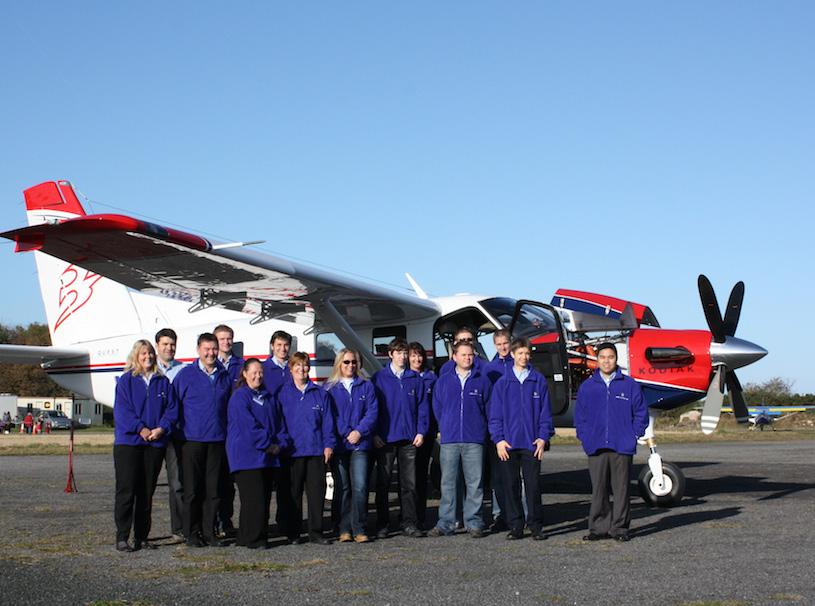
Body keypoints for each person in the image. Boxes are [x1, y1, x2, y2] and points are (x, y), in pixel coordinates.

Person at [575, 342, 648, 542]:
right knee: (598, 489)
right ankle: (598, 528)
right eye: (602, 357)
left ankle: (620, 529)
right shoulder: (587, 387)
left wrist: (633, 434)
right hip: (595, 446)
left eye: (611, 357)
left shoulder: (630, 385)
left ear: (616, 359)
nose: (606, 361)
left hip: (622, 446)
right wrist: (586, 437)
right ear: (597, 360)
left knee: (621, 489)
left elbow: (641, 413)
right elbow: (580, 417)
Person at [113, 339, 178, 552]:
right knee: (127, 490)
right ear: (136, 356)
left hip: (154, 444)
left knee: (146, 492)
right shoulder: (126, 381)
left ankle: (142, 536)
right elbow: (122, 411)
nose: (147, 357)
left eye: (150, 353)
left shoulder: (163, 382)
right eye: (143, 353)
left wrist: (162, 428)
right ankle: (122, 536)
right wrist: (140, 428)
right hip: (129, 444)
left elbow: (172, 410)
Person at [489, 337, 553, 540]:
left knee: (533, 486)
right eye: (520, 353)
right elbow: (495, 415)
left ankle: (535, 525)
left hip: (532, 443)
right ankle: (515, 525)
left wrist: (543, 437)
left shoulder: (538, 380)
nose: (524, 357)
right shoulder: (502, 383)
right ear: (512, 355)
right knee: (511, 485)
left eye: (527, 353)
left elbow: (545, 413)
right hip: (508, 444)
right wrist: (498, 440)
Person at [173, 333, 232, 548]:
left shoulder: (224, 376)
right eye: (207, 349)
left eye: (214, 349)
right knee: (192, 490)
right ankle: (192, 532)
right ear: (198, 350)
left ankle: (209, 532)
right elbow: (174, 405)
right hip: (191, 440)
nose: (211, 353)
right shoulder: (185, 375)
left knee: (213, 490)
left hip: (217, 440)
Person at [427, 341, 491, 538]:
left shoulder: (482, 381)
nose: (467, 358)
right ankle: (446, 522)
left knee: (475, 483)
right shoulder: (443, 381)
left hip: (474, 439)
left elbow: (488, 409)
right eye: (463, 355)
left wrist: (481, 430)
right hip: (450, 440)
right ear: (454, 357)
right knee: (448, 483)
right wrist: (446, 425)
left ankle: (474, 522)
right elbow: (437, 408)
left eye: (470, 354)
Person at [226, 358, 290, 549]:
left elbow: (280, 424)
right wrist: (267, 444)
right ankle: (255, 538)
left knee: (263, 497)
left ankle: (247, 536)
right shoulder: (240, 397)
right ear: (245, 374)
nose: (258, 376)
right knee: (253, 499)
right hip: (247, 456)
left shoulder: (268, 397)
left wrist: (280, 443)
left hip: (267, 458)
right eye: (253, 372)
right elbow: (248, 426)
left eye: (260, 372)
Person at [371, 338, 429, 539]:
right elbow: (373, 408)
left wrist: (421, 431)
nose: (403, 357)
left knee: (409, 484)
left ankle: (409, 522)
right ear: (390, 354)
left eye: (405, 353)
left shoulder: (415, 379)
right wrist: (375, 433)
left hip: (409, 439)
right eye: (399, 353)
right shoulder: (379, 378)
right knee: (383, 483)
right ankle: (383, 523)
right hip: (385, 439)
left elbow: (423, 408)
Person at [276, 352, 335, 544]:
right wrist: (282, 444)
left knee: (316, 493)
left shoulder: (320, 393)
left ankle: (316, 532)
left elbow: (328, 422)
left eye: (305, 365)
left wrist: (328, 445)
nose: (302, 369)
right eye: (297, 365)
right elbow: (278, 423)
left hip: (315, 451)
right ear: (291, 368)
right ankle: (293, 532)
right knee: (293, 494)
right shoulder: (282, 393)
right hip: (292, 452)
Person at [325, 348, 378, 543]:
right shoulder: (330, 388)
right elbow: (331, 415)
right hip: (340, 445)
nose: (350, 365)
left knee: (361, 486)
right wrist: (347, 432)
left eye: (354, 362)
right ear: (339, 363)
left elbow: (372, 412)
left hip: (360, 445)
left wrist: (359, 432)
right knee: (343, 487)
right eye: (346, 362)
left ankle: (359, 528)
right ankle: (343, 527)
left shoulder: (367, 386)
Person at [155, 328, 185, 541]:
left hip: (173, 434)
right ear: (157, 345)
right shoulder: (148, 368)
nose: (169, 348)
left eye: (172, 344)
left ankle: (179, 528)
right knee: (145, 484)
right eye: (165, 344)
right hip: (151, 435)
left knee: (177, 483)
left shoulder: (183, 370)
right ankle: (140, 532)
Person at [213, 323, 243, 537]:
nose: (226, 342)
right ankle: (212, 522)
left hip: (233, 432)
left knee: (228, 483)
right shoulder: (209, 365)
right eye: (222, 339)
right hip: (215, 430)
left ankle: (226, 520)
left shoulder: (240, 365)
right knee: (213, 481)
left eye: (229, 338)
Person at [483, 328, 513, 532]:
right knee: (498, 476)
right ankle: (499, 515)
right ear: (495, 345)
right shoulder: (489, 369)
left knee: (517, 476)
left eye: (505, 343)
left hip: (516, 428)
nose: (503, 347)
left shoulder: (519, 365)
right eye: (499, 344)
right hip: (497, 428)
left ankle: (521, 514)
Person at [408, 342, 437, 530]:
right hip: (408, 433)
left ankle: (420, 516)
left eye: (419, 355)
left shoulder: (431, 378)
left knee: (420, 475)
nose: (417, 359)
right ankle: (407, 515)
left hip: (427, 433)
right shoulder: (405, 377)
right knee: (407, 478)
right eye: (413, 355)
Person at [262, 330, 293, 397]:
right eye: (279, 345)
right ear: (272, 346)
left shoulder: (295, 368)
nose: (283, 349)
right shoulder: (263, 368)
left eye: (286, 345)